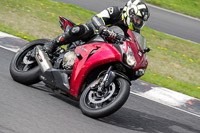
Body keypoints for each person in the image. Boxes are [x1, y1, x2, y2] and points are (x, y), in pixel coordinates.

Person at [43, 0, 150, 54]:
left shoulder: (134, 31)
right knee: (80, 29)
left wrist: (140, 51)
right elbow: (96, 18)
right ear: (129, 13)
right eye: (137, 19)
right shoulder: (115, 11)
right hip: (95, 34)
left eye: (141, 21)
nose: (138, 23)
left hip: (108, 46)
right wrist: (103, 28)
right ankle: (53, 43)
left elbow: (133, 44)